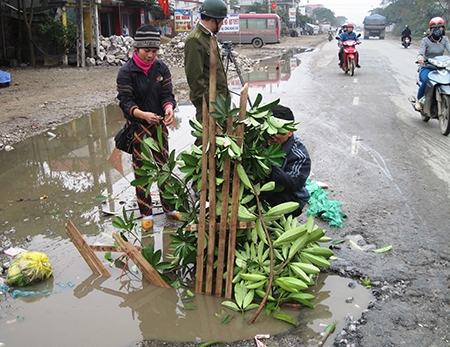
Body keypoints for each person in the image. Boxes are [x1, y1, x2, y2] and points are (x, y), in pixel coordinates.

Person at [116, 25, 181, 231]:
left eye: (154, 51)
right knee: (142, 170)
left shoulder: (161, 69)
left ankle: (169, 207)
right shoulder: (126, 72)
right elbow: (125, 103)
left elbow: (167, 95)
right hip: (138, 128)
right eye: (147, 51)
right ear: (137, 49)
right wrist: (143, 115)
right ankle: (146, 212)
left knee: (164, 168)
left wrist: (169, 108)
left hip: (159, 128)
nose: (151, 55)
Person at [184, 0, 230, 124]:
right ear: (214, 20)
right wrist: (211, 103)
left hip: (219, 103)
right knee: (206, 141)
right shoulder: (195, 40)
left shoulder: (208, 37)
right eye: (221, 21)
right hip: (209, 106)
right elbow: (195, 80)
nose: (221, 25)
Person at [262, 105, 311, 218]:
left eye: (278, 131)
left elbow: (294, 183)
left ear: (290, 132)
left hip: (291, 195)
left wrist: (270, 166)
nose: (272, 135)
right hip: (266, 188)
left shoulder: (299, 154)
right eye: (269, 129)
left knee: (268, 199)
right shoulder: (261, 140)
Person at [415, 17, 450, 110]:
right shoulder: (425, 40)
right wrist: (420, 58)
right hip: (427, 67)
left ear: (443, 28)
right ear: (431, 29)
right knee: (427, 80)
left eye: (440, 27)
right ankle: (418, 101)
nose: (437, 30)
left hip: (441, 68)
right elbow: (421, 52)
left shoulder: (445, 40)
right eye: (434, 28)